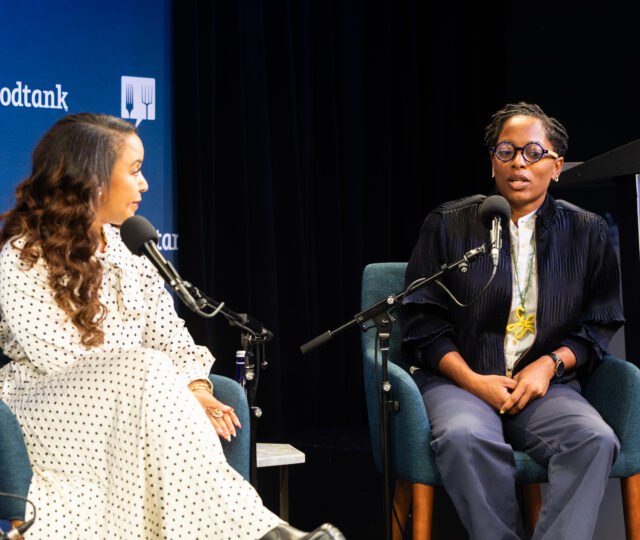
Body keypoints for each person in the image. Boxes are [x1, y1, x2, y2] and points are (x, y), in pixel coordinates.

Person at [0, 113, 344, 540]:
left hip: (137, 399)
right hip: (47, 409)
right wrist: (156, 384)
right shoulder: (24, 255)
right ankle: (263, 534)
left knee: (150, 371)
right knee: (144, 369)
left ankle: (264, 532)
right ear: (94, 177)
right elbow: (59, 359)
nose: (144, 184)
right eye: (136, 170)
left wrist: (197, 390)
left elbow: (170, 335)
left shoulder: (131, 251)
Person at [399, 102, 624, 540]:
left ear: (556, 166)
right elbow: (421, 321)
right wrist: (471, 379)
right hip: (459, 380)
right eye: (506, 151)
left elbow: (600, 323)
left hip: (543, 387)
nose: (518, 162)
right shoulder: (449, 224)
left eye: (532, 152)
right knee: (465, 437)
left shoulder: (587, 231)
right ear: (492, 163)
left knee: (594, 439)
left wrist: (551, 364)